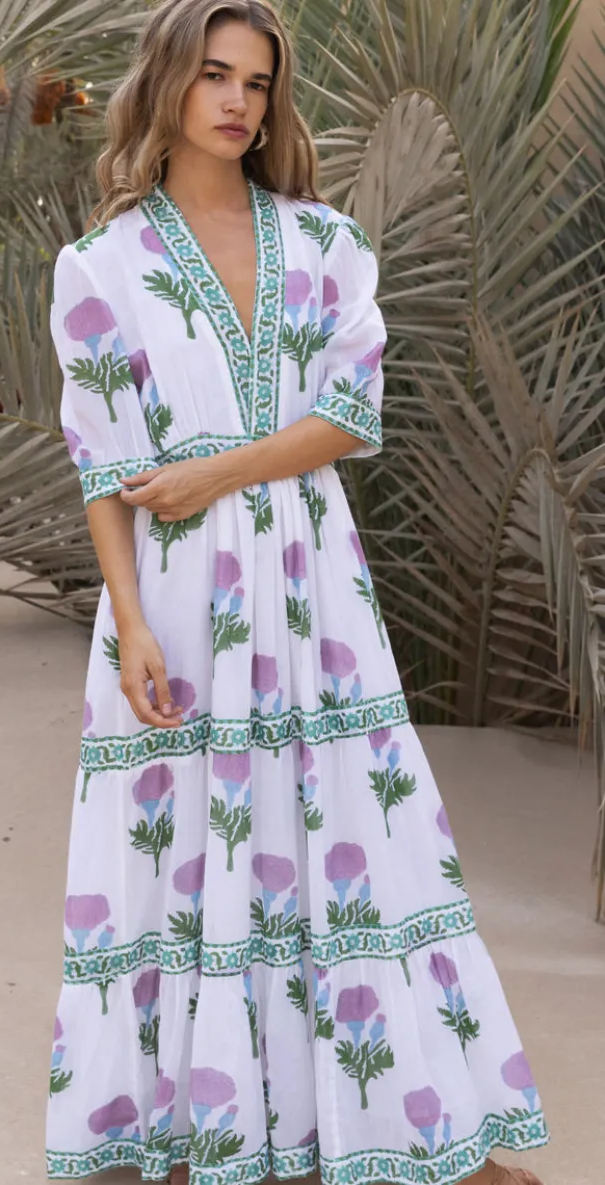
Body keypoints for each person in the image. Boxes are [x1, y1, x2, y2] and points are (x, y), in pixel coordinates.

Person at [45, 2, 550, 1184]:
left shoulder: (326, 244)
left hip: (311, 585)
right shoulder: (99, 267)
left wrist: (214, 471)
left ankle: (400, 1119)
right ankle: (195, 1126)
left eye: (258, 83)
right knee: (188, 838)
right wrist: (129, 626)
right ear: (167, 84)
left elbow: (346, 418)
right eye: (214, 75)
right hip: (175, 597)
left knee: (349, 826)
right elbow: (103, 470)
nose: (237, 101)